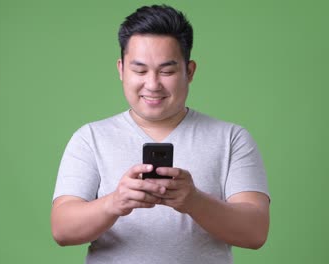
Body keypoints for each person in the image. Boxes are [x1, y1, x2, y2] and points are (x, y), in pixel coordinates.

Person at [51, 4, 270, 264]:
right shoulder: (90, 138)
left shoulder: (232, 138)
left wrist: (195, 201)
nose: (152, 84)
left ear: (189, 71)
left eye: (167, 71)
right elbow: (62, 229)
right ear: (121, 69)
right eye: (140, 71)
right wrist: (115, 202)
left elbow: (255, 232)